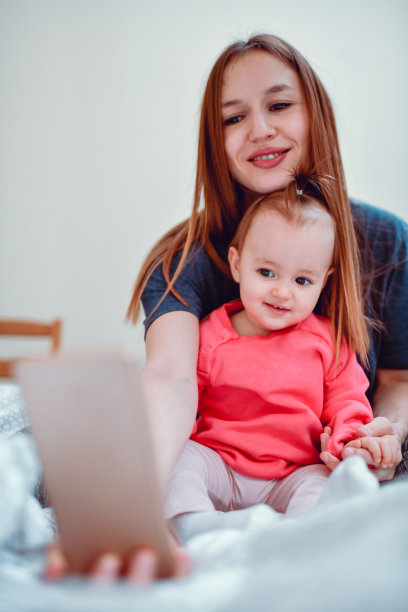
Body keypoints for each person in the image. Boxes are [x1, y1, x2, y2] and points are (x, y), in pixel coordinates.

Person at [47, 33, 408, 581]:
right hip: (217, 466)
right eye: (232, 118)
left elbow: (397, 382)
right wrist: (115, 514)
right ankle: (195, 532)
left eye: (280, 105)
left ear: (317, 114)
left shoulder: (388, 242)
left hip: (312, 469)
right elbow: (169, 378)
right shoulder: (182, 261)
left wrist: (381, 437)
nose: (260, 129)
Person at [165, 179, 399, 523]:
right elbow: (179, 402)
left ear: (324, 281)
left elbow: (348, 403)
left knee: (325, 484)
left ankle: (297, 539)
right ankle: (196, 527)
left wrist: (352, 442)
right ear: (236, 264)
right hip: (220, 465)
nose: (282, 291)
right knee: (179, 459)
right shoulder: (211, 335)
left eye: (302, 281)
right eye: (266, 272)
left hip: (294, 473)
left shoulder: (329, 342)